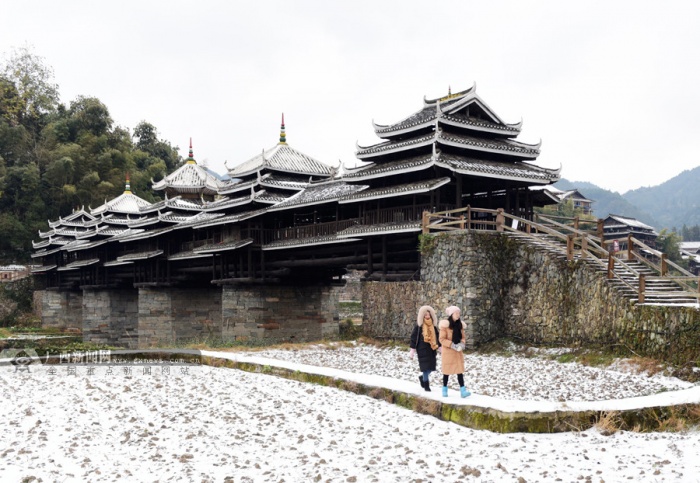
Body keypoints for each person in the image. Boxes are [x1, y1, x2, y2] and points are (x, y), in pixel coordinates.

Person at [439, 305, 471, 398]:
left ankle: (463, 390)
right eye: (456, 313)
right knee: (446, 372)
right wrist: (452, 345)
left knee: (459, 371)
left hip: (457, 352)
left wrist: (462, 344)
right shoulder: (445, 326)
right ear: (452, 314)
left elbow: (463, 337)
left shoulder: (460, 325)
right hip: (448, 352)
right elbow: (441, 339)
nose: (458, 315)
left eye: (459, 313)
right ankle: (444, 389)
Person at [409, 305, 441, 392]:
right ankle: (426, 385)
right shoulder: (419, 327)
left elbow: (438, 337)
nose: (427, 316)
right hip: (422, 349)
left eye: (429, 314)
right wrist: (412, 350)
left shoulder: (433, 327)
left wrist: (440, 347)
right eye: (425, 314)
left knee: (431, 368)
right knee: (425, 368)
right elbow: (414, 338)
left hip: (431, 349)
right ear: (422, 315)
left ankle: (422, 377)